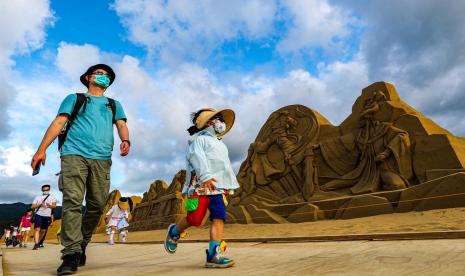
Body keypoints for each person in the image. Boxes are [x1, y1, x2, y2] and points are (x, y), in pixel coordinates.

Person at [31, 64, 130, 275]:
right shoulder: (74, 98)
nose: (104, 77)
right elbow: (59, 122)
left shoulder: (114, 104)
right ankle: (70, 253)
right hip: (73, 154)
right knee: (73, 202)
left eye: (107, 76)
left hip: (102, 158)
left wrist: (126, 140)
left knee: (97, 204)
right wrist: (41, 150)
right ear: (87, 77)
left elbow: (121, 124)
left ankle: (81, 243)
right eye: (99, 74)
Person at [164, 108, 239, 268]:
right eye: (217, 119)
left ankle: (213, 255)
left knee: (219, 217)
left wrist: (228, 185)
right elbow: (196, 158)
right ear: (207, 123)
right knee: (195, 219)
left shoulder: (222, 145)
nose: (221, 122)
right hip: (199, 187)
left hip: (217, 189)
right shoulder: (199, 140)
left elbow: (224, 167)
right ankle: (174, 232)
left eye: (221, 119)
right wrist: (205, 177)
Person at [31, 184, 57, 250]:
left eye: (47, 190)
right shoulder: (38, 197)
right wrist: (40, 205)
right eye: (45, 190)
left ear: (49, 190)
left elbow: (54, 206)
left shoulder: (52, 197)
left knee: (43, 230)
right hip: (38, 214)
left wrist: (49, 206)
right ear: (42, 190)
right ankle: (36, 244)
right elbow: (32, 206)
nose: (46, 191)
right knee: (37, 229)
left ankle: (39, 242)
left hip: (47, 216)